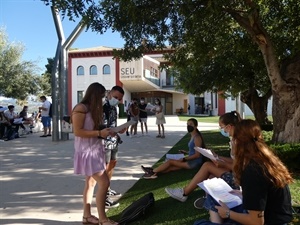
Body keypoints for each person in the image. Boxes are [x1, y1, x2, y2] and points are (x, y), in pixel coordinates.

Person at [206, 119, 293, 225]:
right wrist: (245, 195)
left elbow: (256, 222)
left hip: (269, 221)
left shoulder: (253, 171)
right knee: (212, 196)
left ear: (237, 142)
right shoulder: (265, 159)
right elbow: (264, 193)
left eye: (232, 138)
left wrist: (228, 213)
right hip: (275, 216)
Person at [165, 111, 241, 206]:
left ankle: (184, 193)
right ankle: (209, 200)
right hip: (236, 176)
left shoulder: (239, 142)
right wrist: (217, 156)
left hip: (239, 182)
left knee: (207, 166)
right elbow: (235, 160)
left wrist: (223, 164)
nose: (221, 129)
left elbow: (241, 167)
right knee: (210, 176)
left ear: (229, 127)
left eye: (221, 127)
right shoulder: (234, 140)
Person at [72, 82, 118, 225]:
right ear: (94, 95)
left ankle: (87, 217)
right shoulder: (81, 108)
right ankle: (103, 219)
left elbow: (95, 128)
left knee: (91, 183)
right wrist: (99, 132)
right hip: (87, 152)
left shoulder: (93, 109)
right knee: (104, 182)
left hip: (96, 150)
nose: (103, 99)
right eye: (102, 96)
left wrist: (111, 131)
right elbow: (78, 131)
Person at [141, 118, 206, 179]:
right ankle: (154, 172)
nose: (188, 126)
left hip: (194, 162)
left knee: (170, 162)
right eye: (187, 124)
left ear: (196, 126)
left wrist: (184, 159)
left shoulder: (197, 138)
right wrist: (186, 152)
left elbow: (197, 155)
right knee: (171, 168)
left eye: (191, 124)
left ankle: (151, 172)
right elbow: (194, 151)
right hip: (191, 160)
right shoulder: (193, 135)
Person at [103, 85, 125, 208]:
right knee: (104, 169)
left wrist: (119, 130)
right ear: (109, 93)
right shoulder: (101, 107)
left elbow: (113, 124)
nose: (117, 100)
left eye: (119, 99)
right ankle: (104, 196)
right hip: (104, 142)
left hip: (114, 141)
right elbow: (100, 126)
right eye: (116, 97)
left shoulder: (114, 108)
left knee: (112, 164)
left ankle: (108, 187)